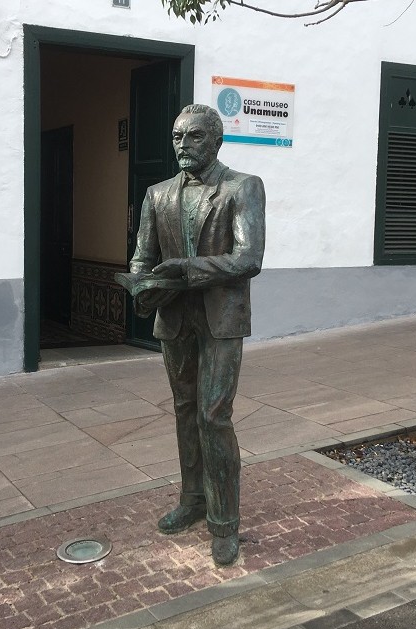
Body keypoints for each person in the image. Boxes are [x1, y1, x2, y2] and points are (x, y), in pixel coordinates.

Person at [129, 104, 265, 566]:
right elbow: (141, 258)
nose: (182, 145)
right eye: (176, 137)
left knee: (214, 414)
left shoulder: (242, 188)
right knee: (185, 411)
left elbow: (248, 259)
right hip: (174, 319)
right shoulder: (158, 194)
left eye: (193, 137)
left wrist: (188, 268)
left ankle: (225, 522)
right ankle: (193, 500)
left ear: (216, 140)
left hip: (221, 319)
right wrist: (142, 287)